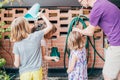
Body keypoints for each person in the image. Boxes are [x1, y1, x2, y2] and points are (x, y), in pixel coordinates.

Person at [73, 0, 120, 80]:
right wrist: (83, 31)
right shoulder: (103, 3)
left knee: (107, 75)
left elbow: (90, 32)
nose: (81, 4)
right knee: (118, 72)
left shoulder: (96, 9)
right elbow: (90, 27)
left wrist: (78, 31)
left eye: (80, 2)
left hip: (117, 43)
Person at [10, 13, 59, 80]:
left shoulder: (17, 44)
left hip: (24, 73)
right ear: (26, 26)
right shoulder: (36, 36)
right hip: (37, 72)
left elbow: (17, 64)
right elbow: (50, 27)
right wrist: (42, 16)